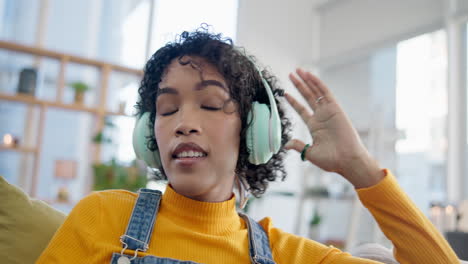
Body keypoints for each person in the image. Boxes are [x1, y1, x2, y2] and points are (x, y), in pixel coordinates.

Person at [37, 28, 459, 263]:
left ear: (255, 130)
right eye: (167, 111)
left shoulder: (289, 255)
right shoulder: (102, 217)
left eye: (210, 104)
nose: (184, 124)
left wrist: (360, 167)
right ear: (150, 135)